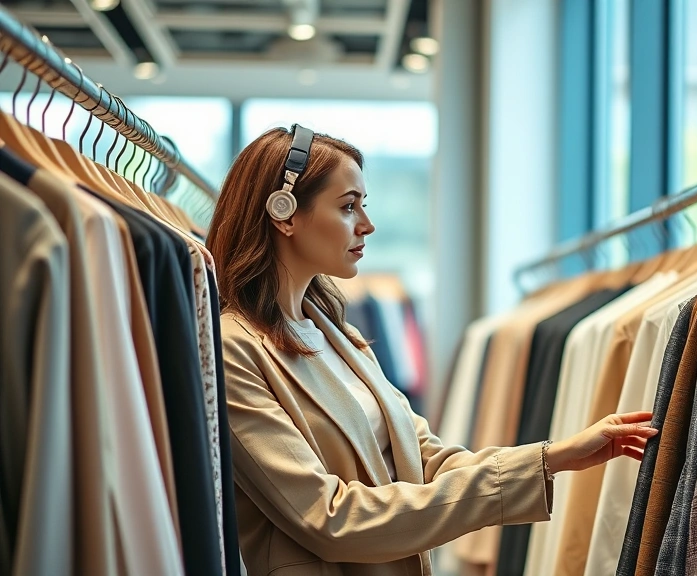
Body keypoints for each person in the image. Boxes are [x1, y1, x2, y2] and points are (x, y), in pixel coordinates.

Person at [207, 125, 657, 576]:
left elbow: (426, 459)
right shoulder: (233, 351)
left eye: (364, 205)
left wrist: (553, 457)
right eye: (348, 207)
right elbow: (327, 518)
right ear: (283, 213)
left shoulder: (338, 335)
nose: (367, 224)